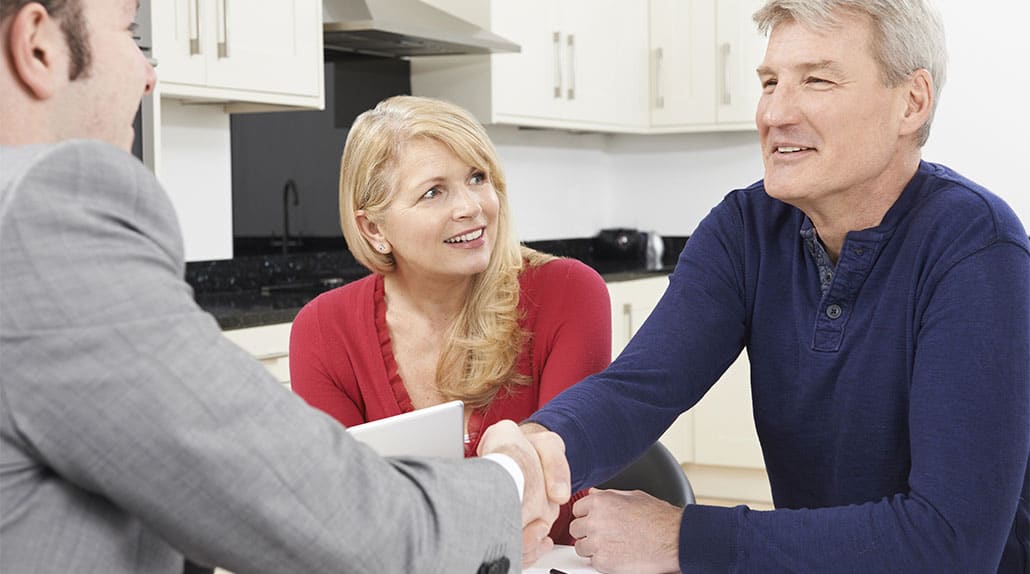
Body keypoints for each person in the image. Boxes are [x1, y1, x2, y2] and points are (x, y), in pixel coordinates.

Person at [0, 1, 571, 572]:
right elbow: (323, 512)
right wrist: (506, 476)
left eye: (476, 179)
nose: (149, 72)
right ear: (38, 45)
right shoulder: (42, 209)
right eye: (129, 31)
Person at [519, 0, 1030, 572]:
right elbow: (639, 389)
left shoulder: (976, 247)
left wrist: (684, 538)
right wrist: (539, 449)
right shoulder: (745, 229)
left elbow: (951, 544)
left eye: (816, 80)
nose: (774, 113)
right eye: (769, 82)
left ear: (911, 102)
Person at [289, 95, 612, 546]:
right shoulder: (323, 329)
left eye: (478, 178)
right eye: (433, 192)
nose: (471, 207)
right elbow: (340, 510)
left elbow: (556, 489)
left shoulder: (569, 294)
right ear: (373, 230)